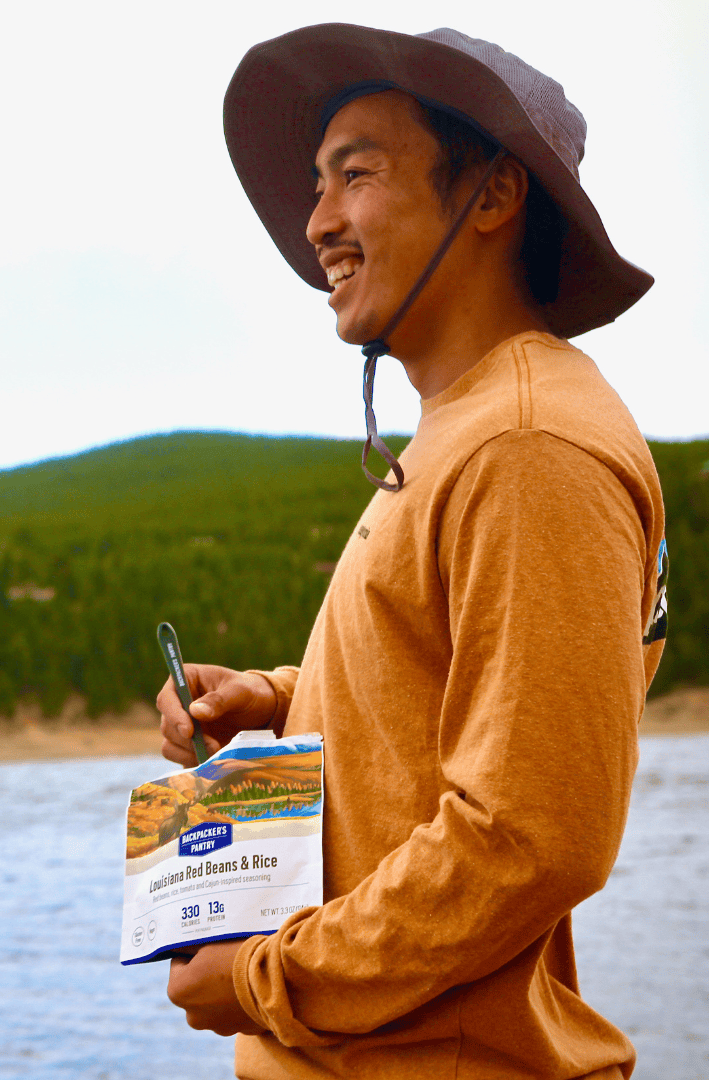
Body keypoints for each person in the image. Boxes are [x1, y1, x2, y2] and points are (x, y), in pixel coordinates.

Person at [155, 24, 669, 1080]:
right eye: (316, 185)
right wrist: (283, 703)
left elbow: (531, 833)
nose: (318, 225)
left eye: (358, 174)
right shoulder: (472, 425)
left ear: (491, 196)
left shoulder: (529, 443)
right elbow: (472, 694)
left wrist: (265, 978)